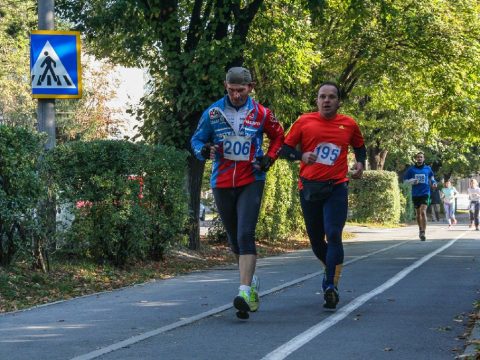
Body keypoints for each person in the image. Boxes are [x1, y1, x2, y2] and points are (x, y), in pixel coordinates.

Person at [190, 67, 285, 318]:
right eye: (231, 90)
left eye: (240, 90)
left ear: (251, 87)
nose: (235, 95)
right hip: (221, 181)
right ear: (225, 86)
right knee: (234, 240)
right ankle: (251, 283)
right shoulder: (213, 112)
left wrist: (269, 159)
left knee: (245, 233)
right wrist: (205, 149)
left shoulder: (262, 113)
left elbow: (279, 137)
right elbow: (196, 140)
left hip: (251, 178)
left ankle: (243, 291)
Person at [279, 81, 366, 311]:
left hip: (337, 186)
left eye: (331, 97)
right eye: (322, 96)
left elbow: (360, 146)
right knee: (317, 242)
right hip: (309, 188)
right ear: (317, 100)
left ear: (338, 101)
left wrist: (360, 163)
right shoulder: (304, 121)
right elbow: (283, 150)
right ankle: (330, 269)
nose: (326, 100)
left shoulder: (349, 124)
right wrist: (301, 155)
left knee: (334, 234)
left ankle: (330, 284)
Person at [403, 152, 437, 241]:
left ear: (423, 159)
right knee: (418, 214)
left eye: (421, 157)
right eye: (418, 157)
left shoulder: (428, 168)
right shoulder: (411, 170)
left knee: (423, 211)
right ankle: (420, 229)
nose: (419, 159)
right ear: (416, 158)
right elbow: (405, 181)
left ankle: (423, 232)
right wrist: (412, 181)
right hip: (415, 194)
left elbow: (432, 177)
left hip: (425, 193)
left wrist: (434, 183)